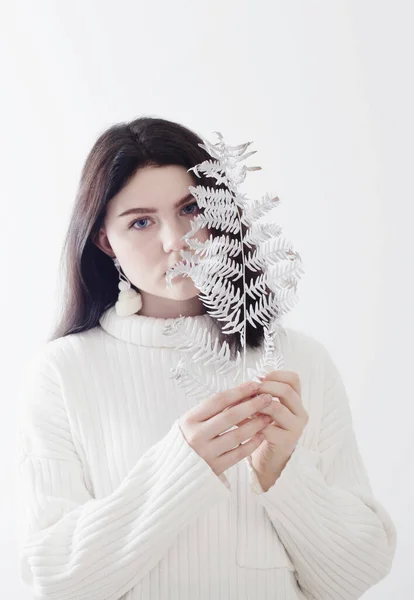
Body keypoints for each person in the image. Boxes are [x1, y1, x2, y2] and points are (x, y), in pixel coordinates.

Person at [16, 116, 397, 600]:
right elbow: (60, 580)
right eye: (141, 221)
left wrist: (282, 473)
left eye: (191, 208)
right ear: (104, 240)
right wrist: (185, 467)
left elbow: (356, 574)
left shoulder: (298, 361)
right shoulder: (62, 373)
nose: (176, 240)